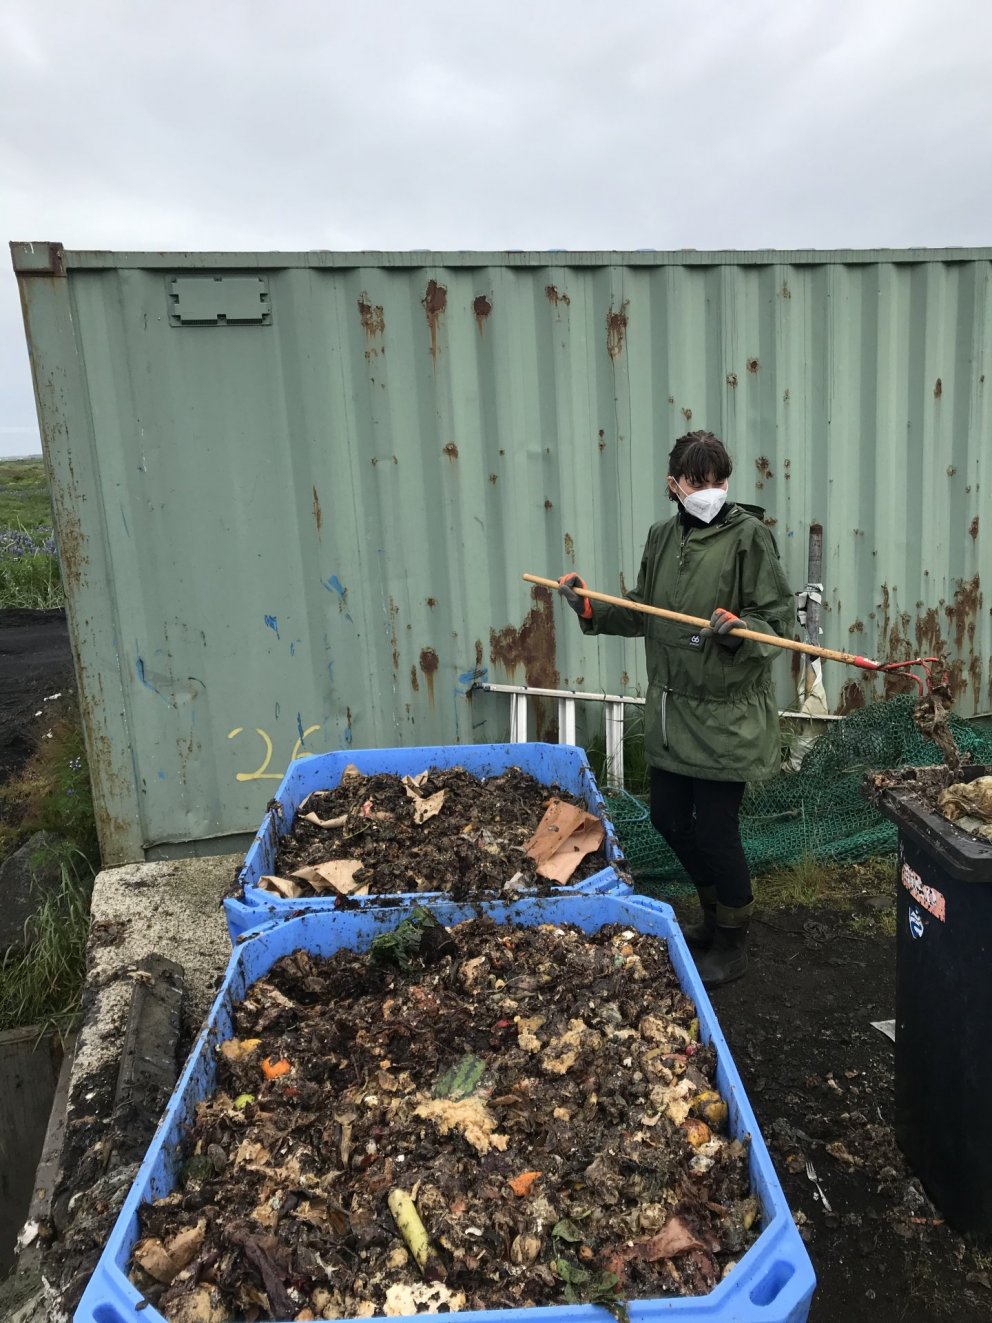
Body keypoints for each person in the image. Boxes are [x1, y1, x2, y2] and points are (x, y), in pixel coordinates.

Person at [558, 430, 794, 988]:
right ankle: (712, 916)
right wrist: (590, 606)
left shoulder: (749, 539)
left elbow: (780, 623)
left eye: (718, 480)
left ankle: (734, 940)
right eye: (697, 481)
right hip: (670, 710)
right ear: (674, 484)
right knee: (666, 817)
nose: (709, 491)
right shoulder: (662, 537)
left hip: (727, 716)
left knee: (715, 829)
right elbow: (643, 610)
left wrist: (742, 631)